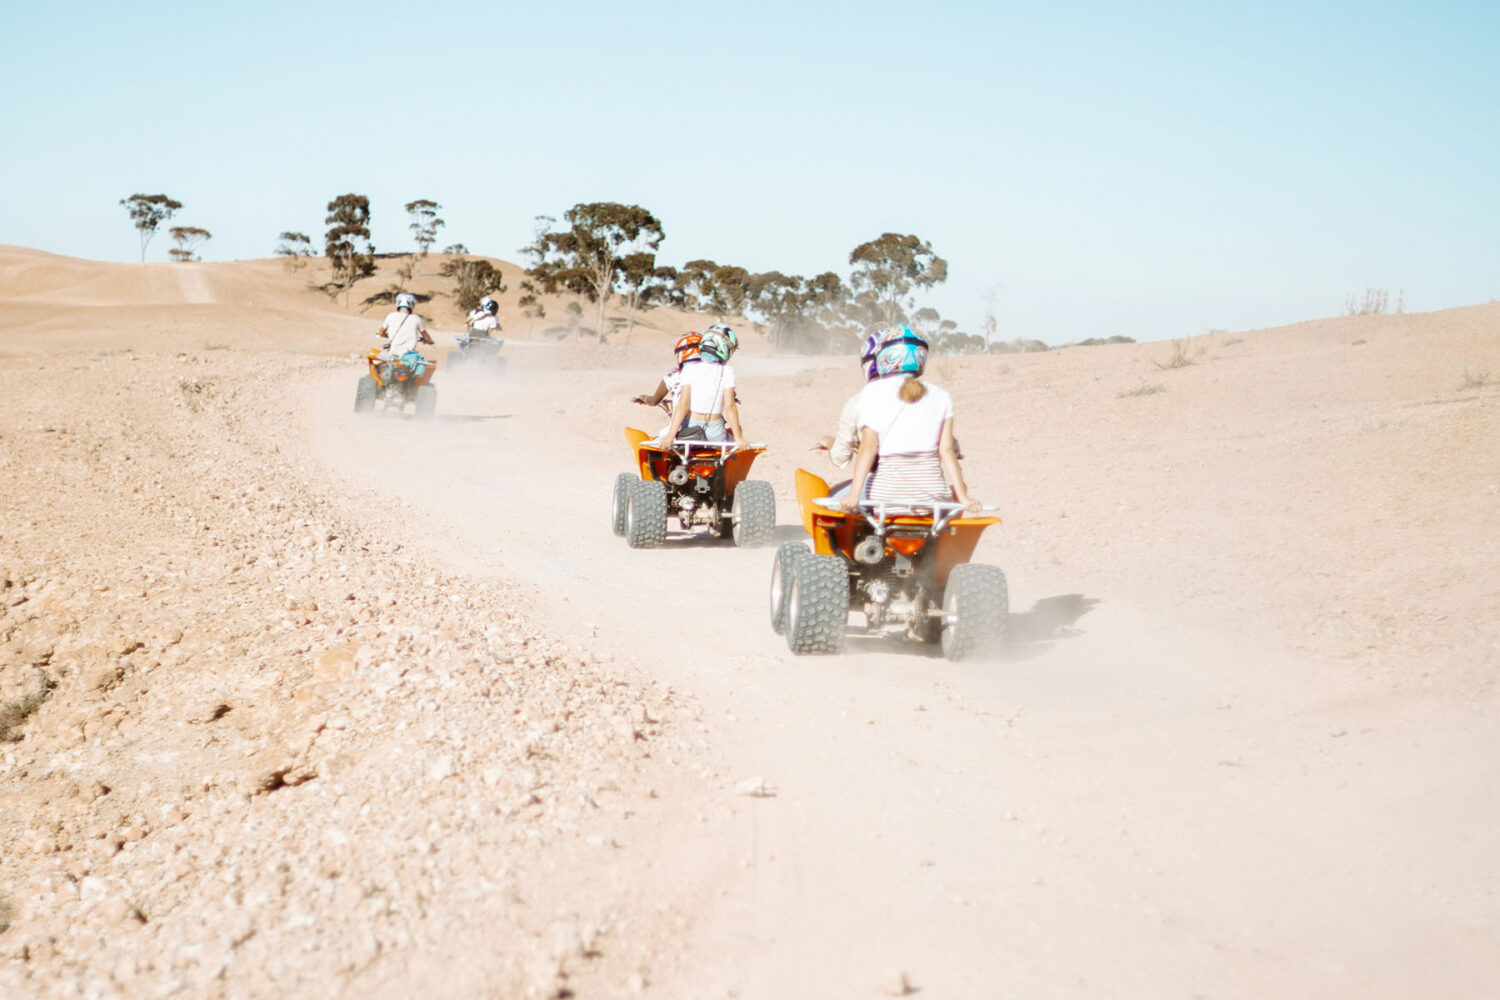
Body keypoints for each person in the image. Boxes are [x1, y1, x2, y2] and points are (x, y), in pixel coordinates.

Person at [842, 331, 981, 513]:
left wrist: (853, 495)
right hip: (931, 498)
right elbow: (946, 450)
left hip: (886, 497)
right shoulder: (942, 396)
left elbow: (868, 447)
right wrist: (964, 497)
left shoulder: (872, 392)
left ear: (884, 357)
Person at [654, 328, 746, 446]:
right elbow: (730, 407)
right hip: (715, 430)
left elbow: (683, 405)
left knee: (659, 442)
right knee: (734, 451)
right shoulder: (727, 371)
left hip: (692, 426)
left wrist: (670, 436)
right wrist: (738, 438)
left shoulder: (689, 369)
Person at [633, 332, 701, 411]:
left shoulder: (672, 377)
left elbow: (653, 401)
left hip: (681, 422)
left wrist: (644, 398)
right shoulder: (714, 373)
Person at [377, 292, 435, 364]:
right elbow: (426, 336)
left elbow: (381, 332)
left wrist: (384, 334)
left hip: (393, 354)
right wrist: (429, 341)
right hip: (408, 357)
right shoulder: (416, 318)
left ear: (398, 303)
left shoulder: (391, 316)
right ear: (412, 305)